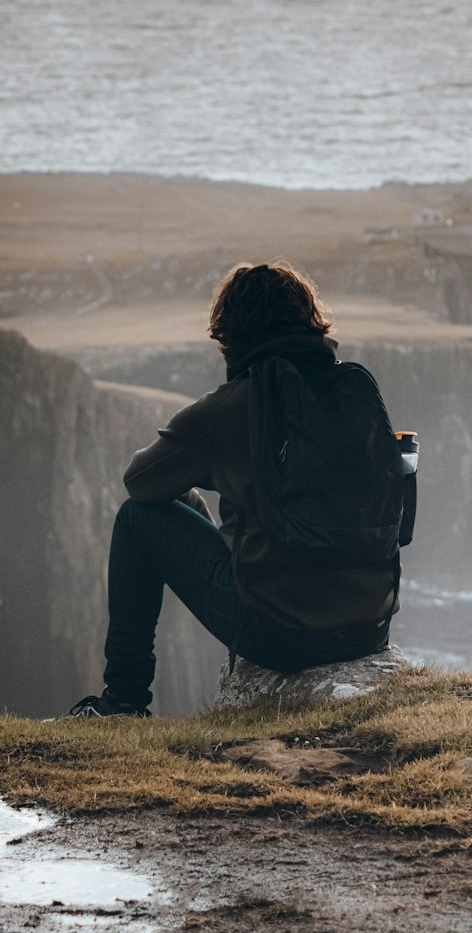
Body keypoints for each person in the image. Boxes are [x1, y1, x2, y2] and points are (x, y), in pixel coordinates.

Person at [67, 262, 397, 717]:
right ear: (310, 319)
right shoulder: (354, 392)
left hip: (285, 636)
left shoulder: (233, 406)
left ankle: (123, 701)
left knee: (136, 518)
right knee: (187, 502)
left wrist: (213, 464)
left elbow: (139, 482)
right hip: (369, 627)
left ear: (232, 335)